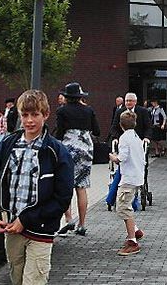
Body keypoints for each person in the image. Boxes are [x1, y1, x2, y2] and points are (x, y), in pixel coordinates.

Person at [0, 90, 74, 285]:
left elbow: (63, 197)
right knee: (17, 278)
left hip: (41, 228)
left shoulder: (56, 151)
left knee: (33, 281)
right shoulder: (8, 145)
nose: (29, 120)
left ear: (46, 115)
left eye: (35, 115)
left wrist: (27, 218)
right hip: (12, 227)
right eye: (25, 115)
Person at [54, 82, 100, 237]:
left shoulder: (62, 111)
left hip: (69, 148)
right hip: (86, 148)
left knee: (64, 184)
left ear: (67, 97)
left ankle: (68, 218)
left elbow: (59, 134)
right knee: (82, 186)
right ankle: (82, 224)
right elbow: (97, 130)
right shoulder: (89, 110)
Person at [109, 111, 146, 256]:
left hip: (129, 178)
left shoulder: (124, 138)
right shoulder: (137, 137)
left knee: (123, 207)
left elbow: (122, 158)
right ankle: (135, 230)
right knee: (126, 205)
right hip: (137, 176)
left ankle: (132, 241)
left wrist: (113, 157)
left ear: (120, 125)